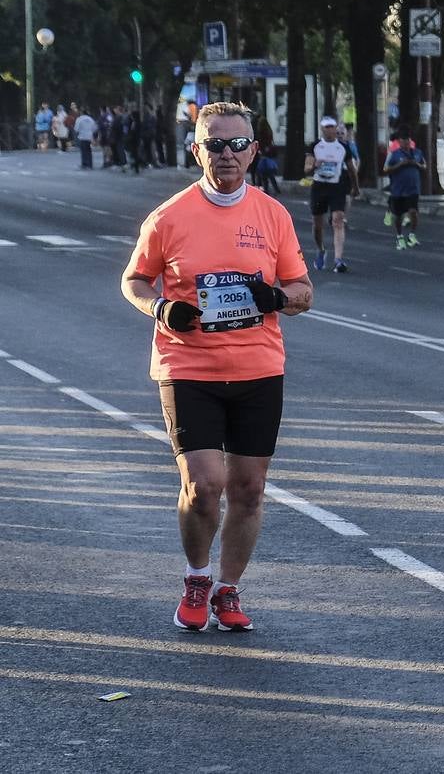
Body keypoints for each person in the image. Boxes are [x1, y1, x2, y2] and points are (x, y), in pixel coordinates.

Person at [120, 101, 314, 633]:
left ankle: (228, 590)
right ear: (195, 149)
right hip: (188, 367)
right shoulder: (169, 216)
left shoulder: (272, 214)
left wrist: (276, 297)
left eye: (236, 144)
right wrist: (162, 307)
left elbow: (302, 291)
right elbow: (133, 281)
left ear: (253, 150)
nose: (226, 154)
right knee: (204, 485)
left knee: (248, 490)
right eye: (214, 144)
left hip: (258, 368)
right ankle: (197, 577)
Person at [304, 116, 359, 273]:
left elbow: (351, 169)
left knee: (338, 220)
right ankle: (321, 249)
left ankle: (338, 259)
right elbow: (306, 169)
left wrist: (356, 187)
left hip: (337, 187)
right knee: (317, 224)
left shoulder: (343, 147)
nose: (330, 130)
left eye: (332, 127)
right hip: (319, 187)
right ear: (322, 129)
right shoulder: (315, 146)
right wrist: (315, 165)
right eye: (327, 127)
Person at [383, 126, 426, 249]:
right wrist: (400, 165)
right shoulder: (394, 155)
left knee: (413, 211)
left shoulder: (417, 153)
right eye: (403, 140)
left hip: (413, 189)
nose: (406, 142)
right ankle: (399, 236)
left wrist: (416, 164)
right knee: (398, 216)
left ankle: (412, 234)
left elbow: (424, 166)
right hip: (398, 190)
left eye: (407, 140)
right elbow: (385, 169)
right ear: (399, 141)